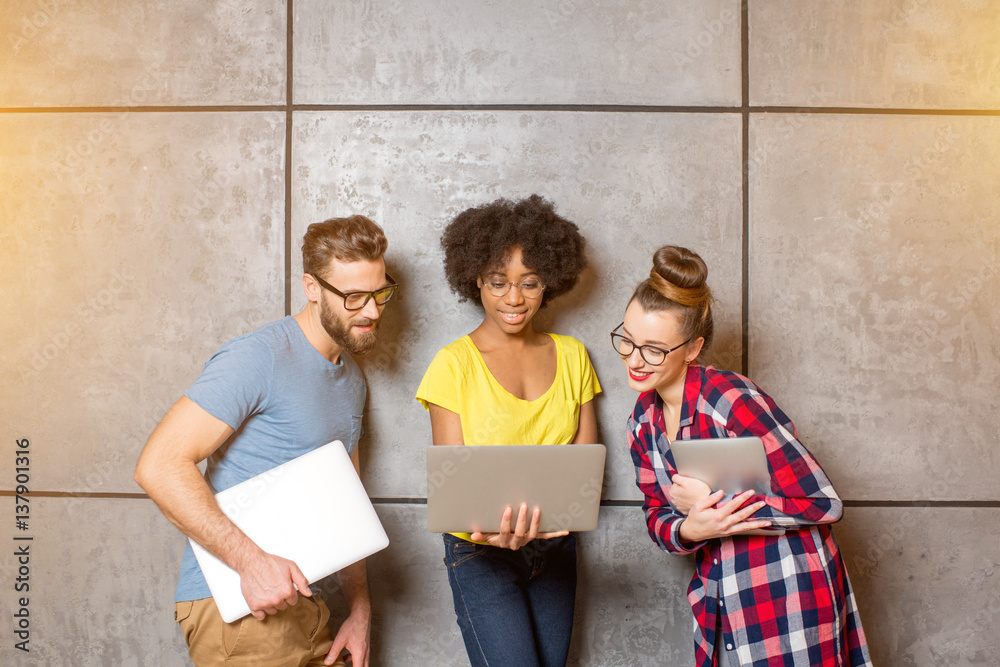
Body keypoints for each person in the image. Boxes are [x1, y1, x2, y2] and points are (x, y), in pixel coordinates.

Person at [134, 215, 398, 667]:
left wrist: (359, 608)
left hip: (307, 604)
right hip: (239, 608)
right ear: (311, 288)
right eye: (354, 297)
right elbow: (158, 466)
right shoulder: (258, 357)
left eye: (379, 293)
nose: (372, 311)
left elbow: (346, 498)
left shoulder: (351, 379)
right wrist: (252, 564)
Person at [617, 245, 871, 667]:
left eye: (654, 349)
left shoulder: (731, 400)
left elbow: (823, 502)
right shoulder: (641, 422)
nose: (634, 359)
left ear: (693, 348)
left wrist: (713, 506)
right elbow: (656, 515)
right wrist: (692, 530)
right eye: (627, 340)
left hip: (788, 595)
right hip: (720, 600)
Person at [415, 195, 600, 667]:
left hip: (556, 548)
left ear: (549, 283)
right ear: (475, 279)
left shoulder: (574, 355)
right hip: (481, 555)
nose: (513, 299)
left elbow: (585, 465)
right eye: (498, 283)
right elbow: (453, 485)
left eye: (530, 283)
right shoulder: (452, 364)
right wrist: (496, 530)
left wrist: (558, 520)